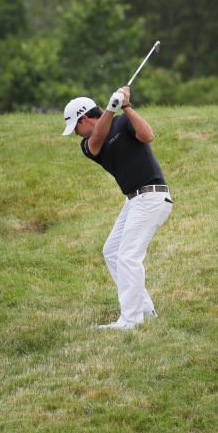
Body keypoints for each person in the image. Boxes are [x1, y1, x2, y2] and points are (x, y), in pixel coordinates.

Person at [62, 86, 173, 330]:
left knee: (128, 256)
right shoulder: (88, 144)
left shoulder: (123, 122)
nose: (76, 134)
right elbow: (96, 141)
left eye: (76, 128)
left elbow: (147, 136)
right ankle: (144, 308)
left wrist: (125, 106)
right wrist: (111, 109)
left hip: (151, 197)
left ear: (83, 119)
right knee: (112, 251)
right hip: (134, 200)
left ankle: (131, 320)